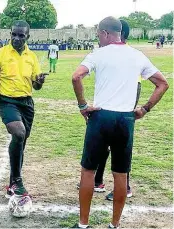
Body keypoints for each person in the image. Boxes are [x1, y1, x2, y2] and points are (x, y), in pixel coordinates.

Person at [72, 16, 168, 228]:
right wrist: (144, 109)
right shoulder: (137, 55)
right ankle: (114, 225)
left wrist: (82, 105)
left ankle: (83, 224)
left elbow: (76, 77)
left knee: (88, 171)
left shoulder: (98, 54)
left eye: (99, 35)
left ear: (106, 34)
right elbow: (162, 83)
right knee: (121, 174)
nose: (98, 39)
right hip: (125, 119)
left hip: (100, 116)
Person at [0, 20, 48, 199]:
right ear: (10, 34)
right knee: (19, 133)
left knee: (21, 144)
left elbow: (36, 87)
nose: (17, 38)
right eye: (14, 34)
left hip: (26, 103)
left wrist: (39, 82)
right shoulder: (0, 54)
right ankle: (17, 181)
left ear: (28, 36)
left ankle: (12, 184)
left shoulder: (32, 57)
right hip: (6, 101)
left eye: (21, 35)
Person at [94, 19, 142, 201]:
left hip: (122, 113)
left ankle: (125, 187)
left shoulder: (130, 56)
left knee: (120, 151)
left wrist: (130, 112)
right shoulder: (110, 54)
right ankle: (98, 180)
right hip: (107, 110)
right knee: (103, 147)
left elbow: (137, 86)